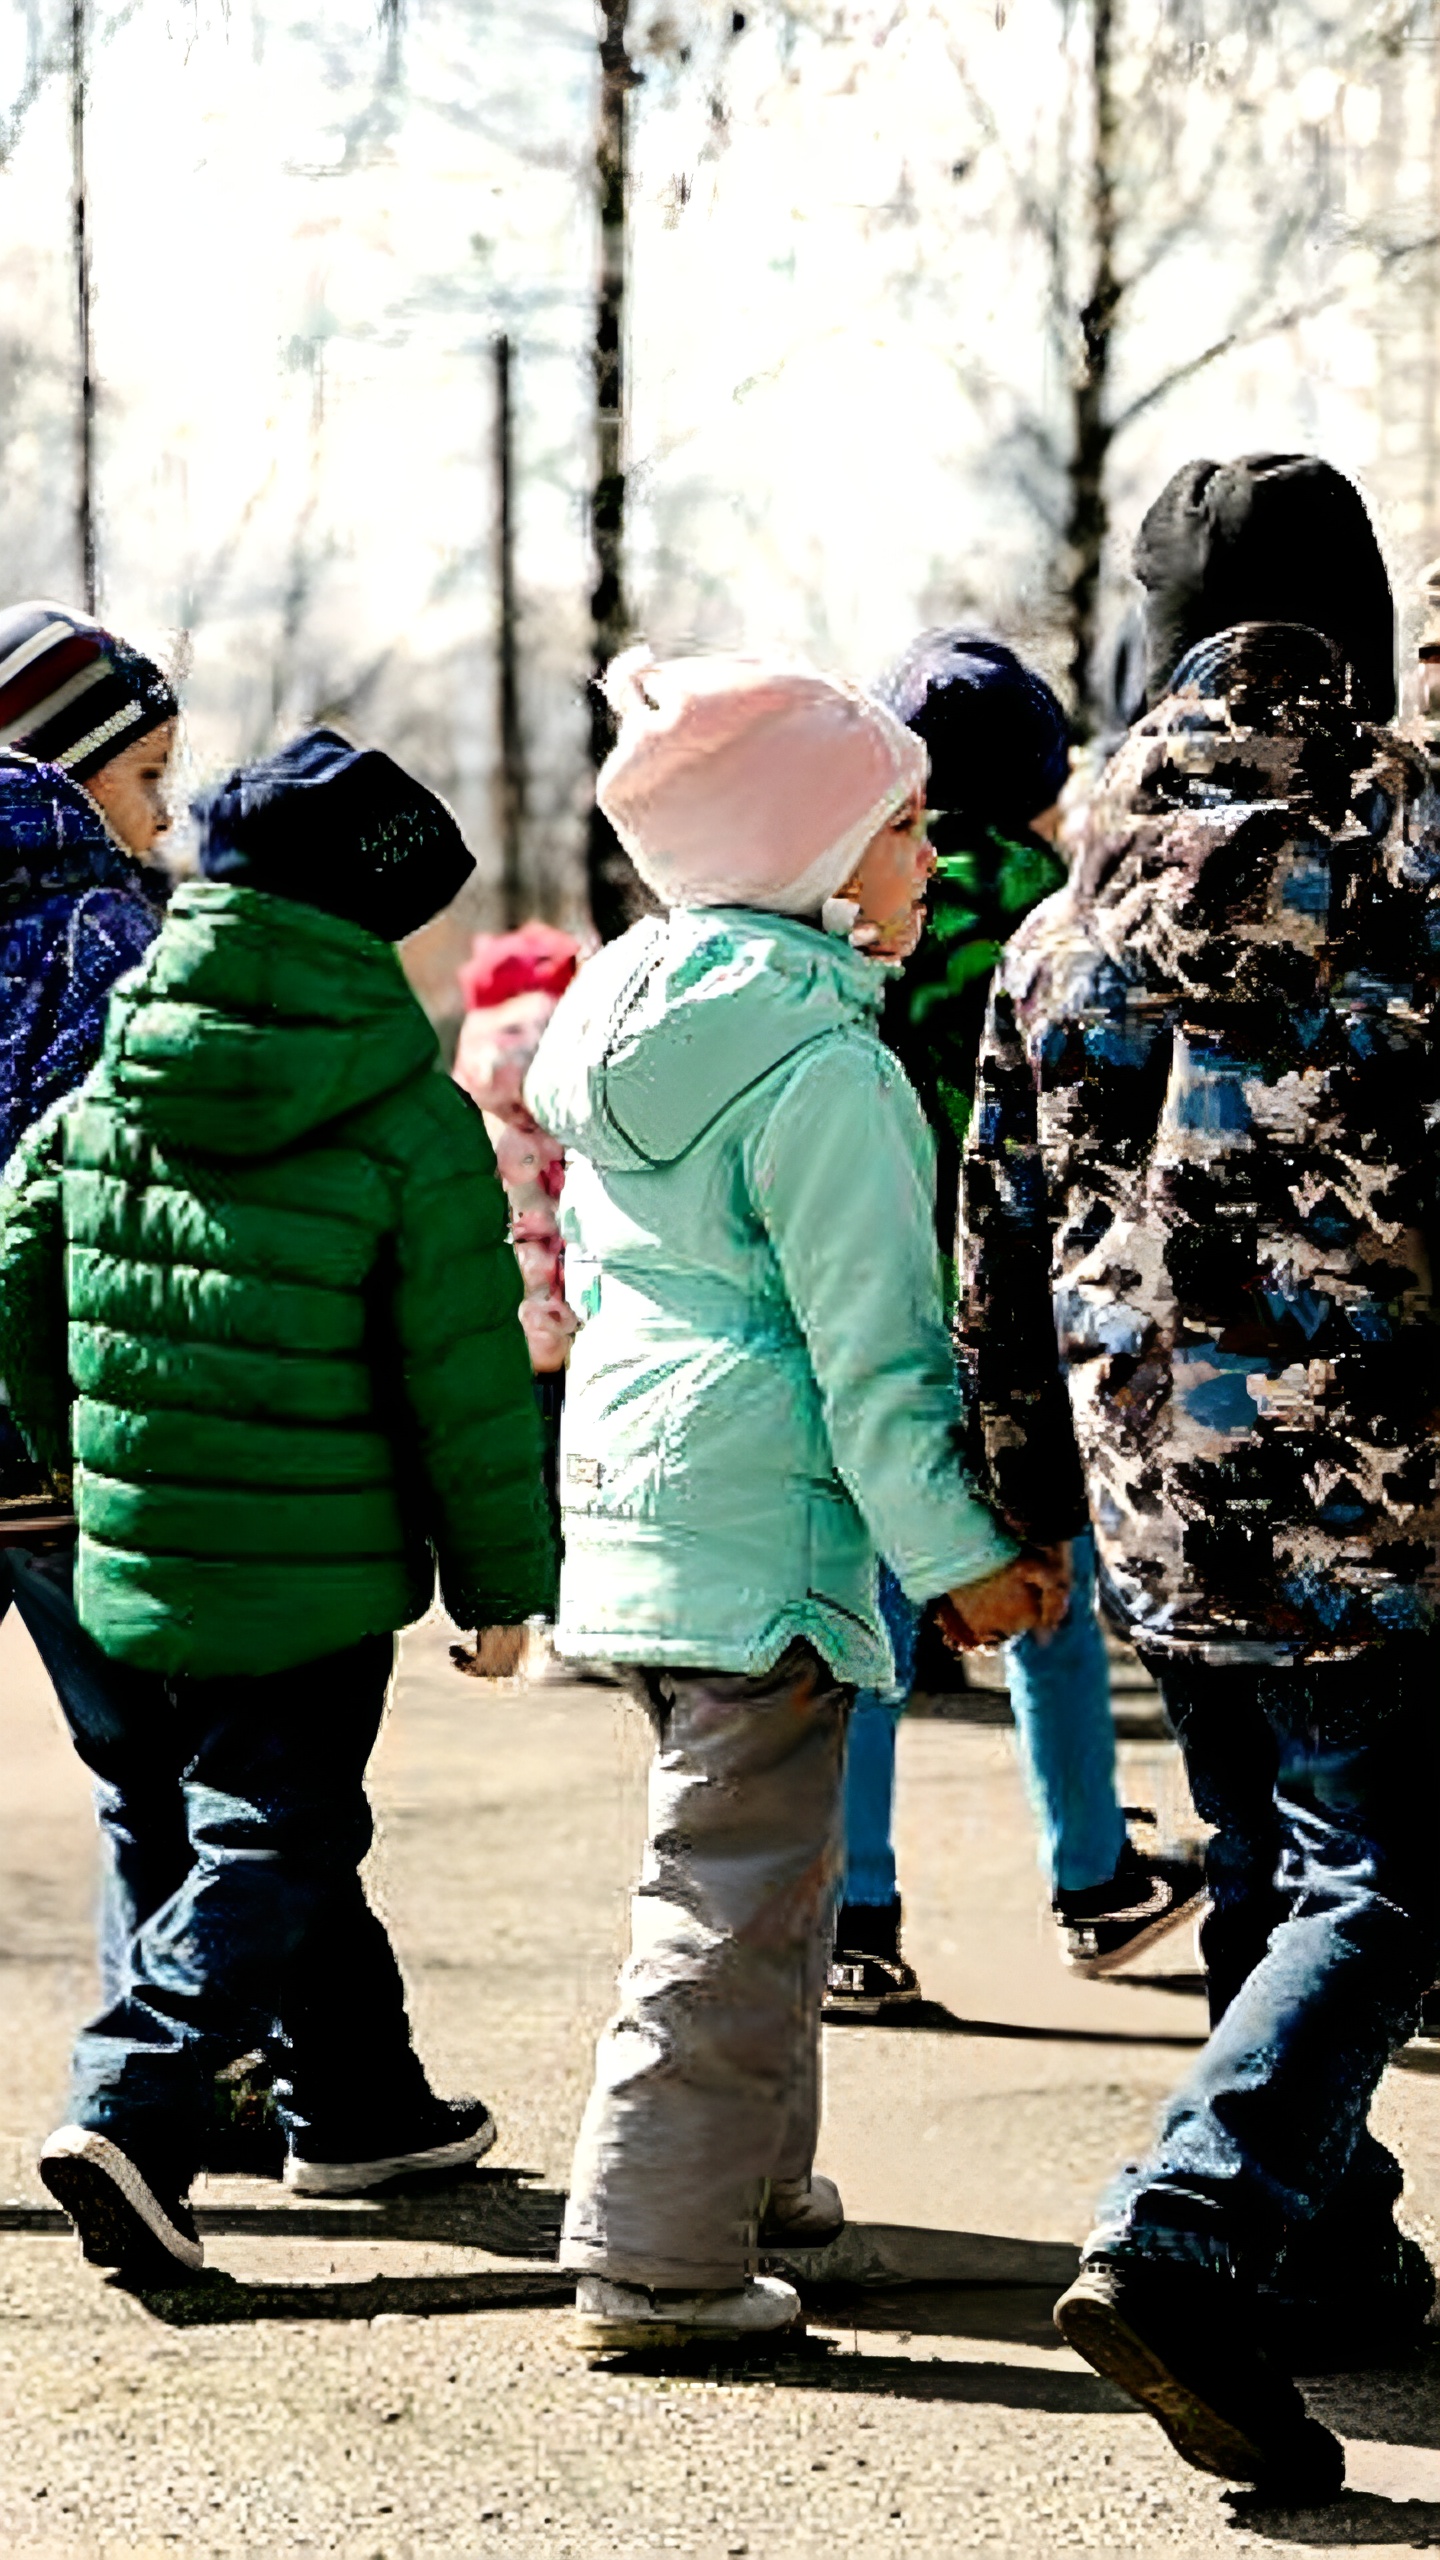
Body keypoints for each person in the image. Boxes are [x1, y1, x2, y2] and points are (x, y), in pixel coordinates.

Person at [961, 452, 1440, 2501]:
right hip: (1378, 1475)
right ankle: (1196, 2219)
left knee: (1273, 1860)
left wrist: (1018, 1496)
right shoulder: (1408, 866)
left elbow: (985, 1219)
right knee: (1399, 1868)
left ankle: (1320, 2242)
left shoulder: (1063, 913)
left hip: (1162, 1488)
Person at [526, 647, 1069, 2356]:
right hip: (765, 1518)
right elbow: (876, 1363)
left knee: (769, 1882)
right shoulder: (825, 1069)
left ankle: (759, 2196)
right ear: (819, 858)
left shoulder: (635, 1017)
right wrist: (968, 1561)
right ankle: (653, 2257)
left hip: (637, 1505)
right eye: (905, 828)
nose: (928, 858)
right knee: (730, 1896)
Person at [0, 727, 554, 2283]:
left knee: (269, 1810)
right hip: (317, 1565)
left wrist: (74, 1457)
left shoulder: (120, 1061)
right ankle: (137, 2098)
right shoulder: (402, 1112)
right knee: (275, 1825)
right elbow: (461, 1375)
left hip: (137, 1537)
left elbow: (16, 1272)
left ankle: (362, 2105)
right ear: (369, 917)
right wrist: (501, 1585)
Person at [825, 631, 1204, 2019]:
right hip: (1027, 1310)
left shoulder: (851, 903)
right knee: (1051, 1588)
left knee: (869, 1610)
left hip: (875, 1296)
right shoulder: (1069, 905)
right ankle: (1094, 1876)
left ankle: (857, 1914)